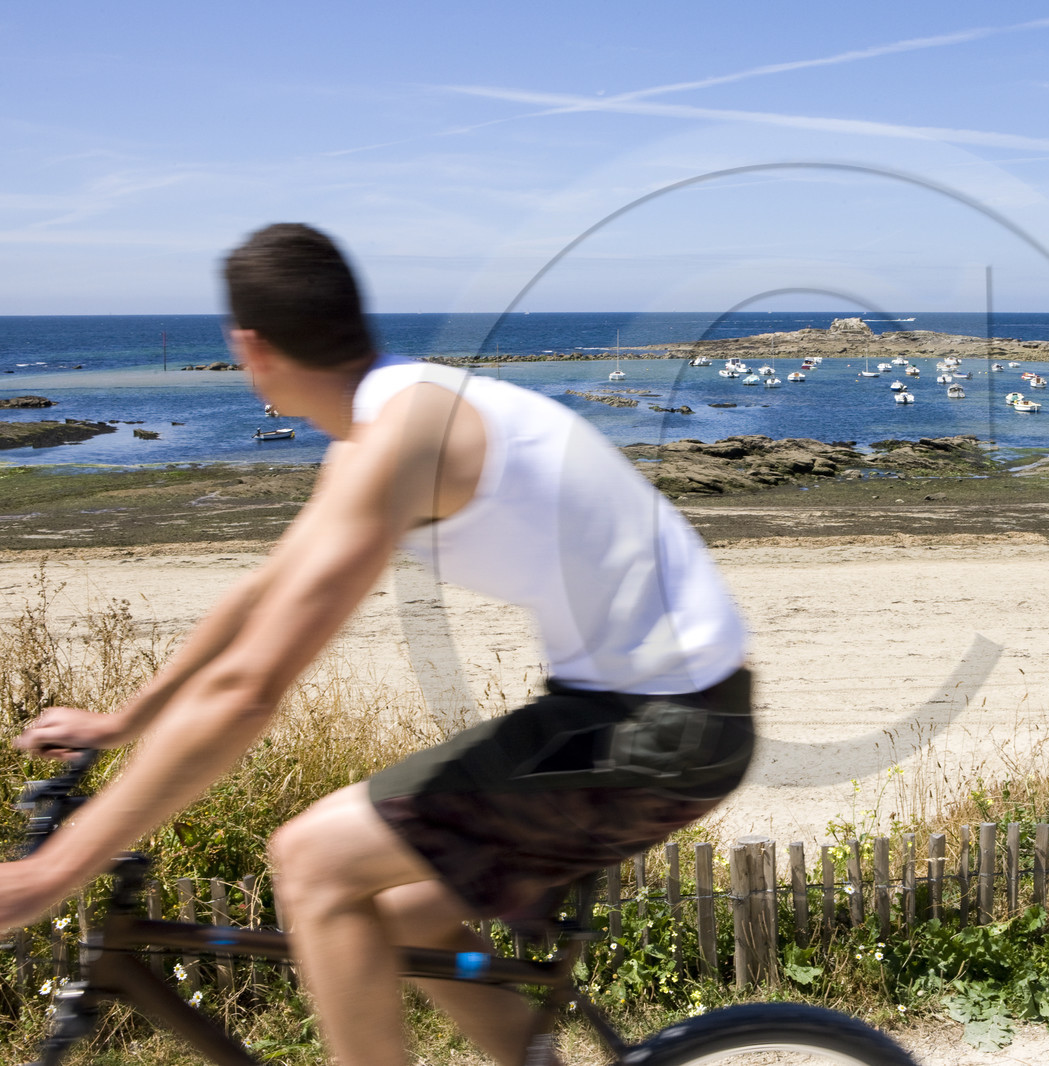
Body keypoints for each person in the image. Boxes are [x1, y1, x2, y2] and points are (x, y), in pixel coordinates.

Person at [0, 223, 754, 1066]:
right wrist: (121, 721)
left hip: (661, 726)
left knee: (312, 862)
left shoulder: (402, 438)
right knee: (407, 916)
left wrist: (51, 874)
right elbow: (262, 595)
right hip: (634, 711)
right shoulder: (385, 422)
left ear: (248, 346)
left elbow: (248, 689)